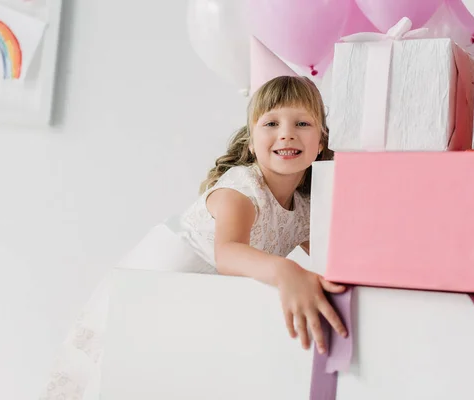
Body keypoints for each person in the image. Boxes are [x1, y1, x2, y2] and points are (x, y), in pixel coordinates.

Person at [40, 75, 347, 400]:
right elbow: (228, 254)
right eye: (271, 123)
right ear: (251, 141)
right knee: (118, 378)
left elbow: (334, 257)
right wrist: (287, 272)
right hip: (159, 281)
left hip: (200, 304)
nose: (286, 132)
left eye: (302, 123)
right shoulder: (241, 187)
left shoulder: (303, 210)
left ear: (321, 140)